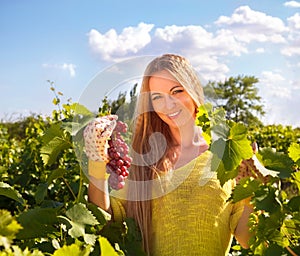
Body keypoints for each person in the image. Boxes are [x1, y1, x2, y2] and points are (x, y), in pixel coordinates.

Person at [84, 53, 253, 255]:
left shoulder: (227, 157)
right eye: (157, 97)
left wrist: (251, 185)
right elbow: (104, 222)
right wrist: (97, 160)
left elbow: (247, 239)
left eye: (177, 91)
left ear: (194, 91)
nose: (169, 104)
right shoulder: (142, 160)